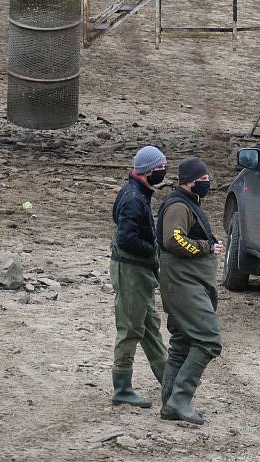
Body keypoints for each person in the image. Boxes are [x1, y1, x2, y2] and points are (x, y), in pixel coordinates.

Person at [156, 157, 224, 425]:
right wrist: (206, 248)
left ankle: (170, 404)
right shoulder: (177, 205)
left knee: (183, 342)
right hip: (183, 284)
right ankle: (180, 399)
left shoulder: (190, 204)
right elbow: (173, 239)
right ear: (192, 181)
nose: (208, 184)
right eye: (204, 179)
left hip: (185, 284)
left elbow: (188, 237)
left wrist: (210, 242)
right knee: (209, 340)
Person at [109, 146, 169, 408]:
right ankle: (122, 388)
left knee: (149, 325)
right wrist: (152, 252)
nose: (164, 172)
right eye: (162, 168)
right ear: (150, 171)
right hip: (132, 271)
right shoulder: (134, 198)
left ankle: (168, 379)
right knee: (131, 327)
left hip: (137, 272)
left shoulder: (135, 193)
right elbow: (126, 238)